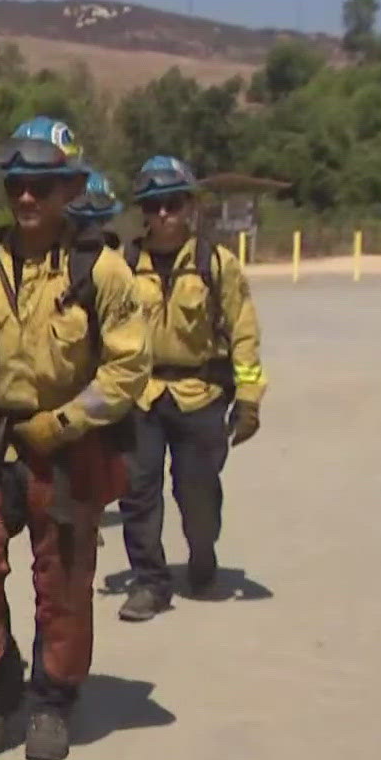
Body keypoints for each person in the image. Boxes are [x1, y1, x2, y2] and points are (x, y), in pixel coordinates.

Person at [0, 117, 150, 760]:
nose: (27, 198)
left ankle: (53, 697)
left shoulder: (104, 272)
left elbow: (128, 367)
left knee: (63, 577)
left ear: (70, 189)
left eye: (42, 185)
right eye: (17, 185)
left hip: (68, 439)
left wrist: (66, 422)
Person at [116, 155, 266, 621]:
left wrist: (248, 400)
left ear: (190, 208)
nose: (164, 214)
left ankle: (203, 554)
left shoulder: (216, 265)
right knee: (138, 493)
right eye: (155, 204)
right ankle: (149, 582)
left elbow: (244, 333)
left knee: (197, 492)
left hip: (201, 395)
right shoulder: (121, 267)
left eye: (173, 204)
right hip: (140, 396)